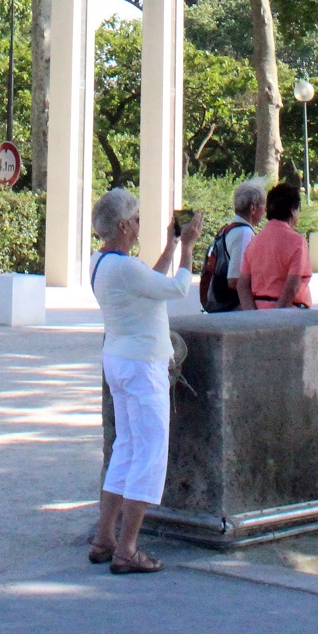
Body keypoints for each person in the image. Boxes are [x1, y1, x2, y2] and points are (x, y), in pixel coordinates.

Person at [88, 188, 204, 575]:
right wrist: (187, 248)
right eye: (136, 219)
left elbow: (148, 284)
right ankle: (127, 548)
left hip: (119, 359)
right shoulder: (124, 268)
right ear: (123, 226)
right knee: (149, 454)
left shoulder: (102, 262)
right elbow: (176, 288)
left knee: (125, 448)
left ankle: (104, 538)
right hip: (142, 365)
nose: (139, 226)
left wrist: (170, 247)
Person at [242, 180, 312, 309]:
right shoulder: (297, 241)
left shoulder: (254, 241)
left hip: (258, 310)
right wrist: (276, 315)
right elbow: (292, 287)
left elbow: (242, 285)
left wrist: (252, 315)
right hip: (290, 312)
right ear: (293, 211)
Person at [201, 178, 266, 313]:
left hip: (223, 307)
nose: (265, 211)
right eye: (263, 205)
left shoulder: (227, 230)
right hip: (234, 310)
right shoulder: (244, 233)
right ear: (253, 208)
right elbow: (235, 280)